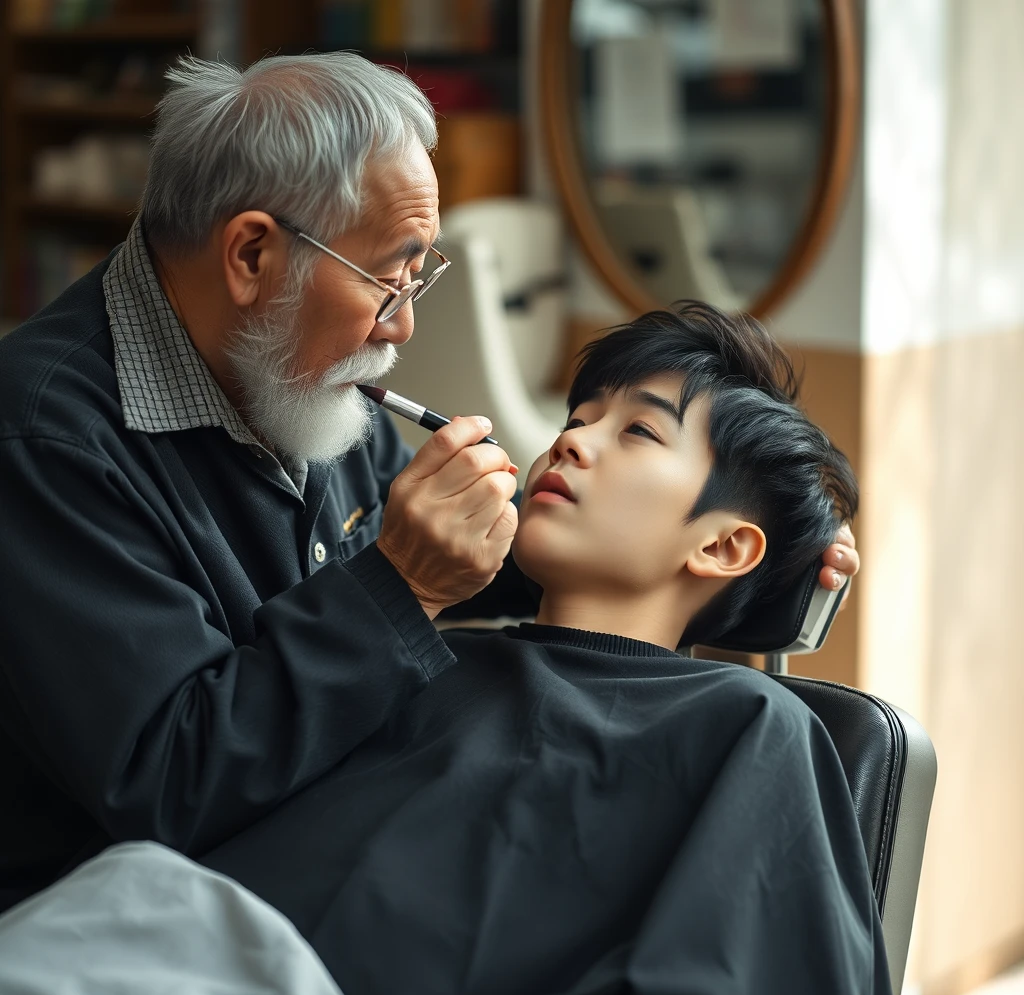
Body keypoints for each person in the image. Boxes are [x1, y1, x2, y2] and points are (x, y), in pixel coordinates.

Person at [0, 53, 857, 912]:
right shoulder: (45, 441)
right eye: (387, 275)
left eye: (420, 276)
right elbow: (164, 785)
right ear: (253, 254)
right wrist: (398, 586)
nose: (403, 323)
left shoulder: (294, 369)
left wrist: (770, 574)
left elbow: (492, 551)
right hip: (119, 925)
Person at [201, 303, 894, 995]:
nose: (572, 443)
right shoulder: (412, 652)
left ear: (722, 548)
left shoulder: (750, 727)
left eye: (639, 431)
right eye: (578, 418)